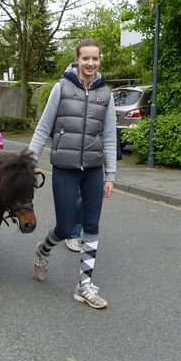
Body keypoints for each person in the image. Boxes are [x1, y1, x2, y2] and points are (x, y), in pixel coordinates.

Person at [28, 38, 117, 309]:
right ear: (77, 60)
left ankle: (84, 285)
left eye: (95, 58)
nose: (90, 63)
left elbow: (109, 136)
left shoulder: (106, 95)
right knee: (65, 228)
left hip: (93, 170)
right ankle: (43, 249)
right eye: (85, 58)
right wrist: (28, 162)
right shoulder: (62, 88)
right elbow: (44, 128)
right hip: (65, 169)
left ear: (100, 60)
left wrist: (110, 175)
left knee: (91, 227)